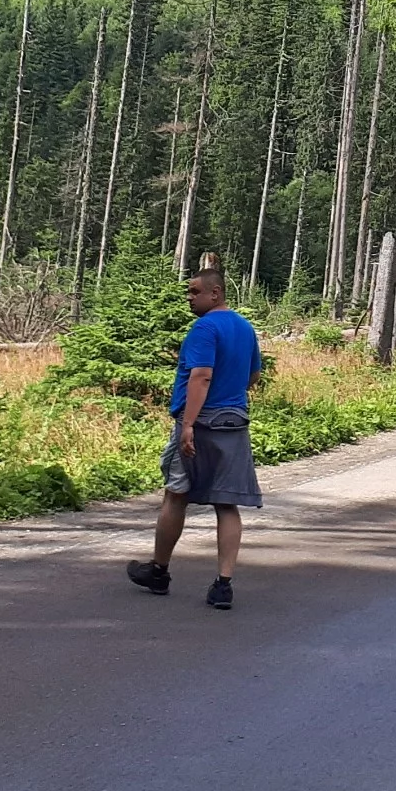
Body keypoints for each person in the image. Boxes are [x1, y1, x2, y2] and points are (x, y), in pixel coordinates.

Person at [128, 254, 263, 610]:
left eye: (194, 292)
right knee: (226, 503)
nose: (189, 298)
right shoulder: (245, 328)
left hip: (201, 423)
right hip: (235, 421)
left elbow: (200, 376)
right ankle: (223, 584)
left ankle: (159, 572)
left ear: (215, 293)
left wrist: (188, 424)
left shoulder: (204, 329)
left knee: (176, 494)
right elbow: (253, 375)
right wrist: (230, 393)